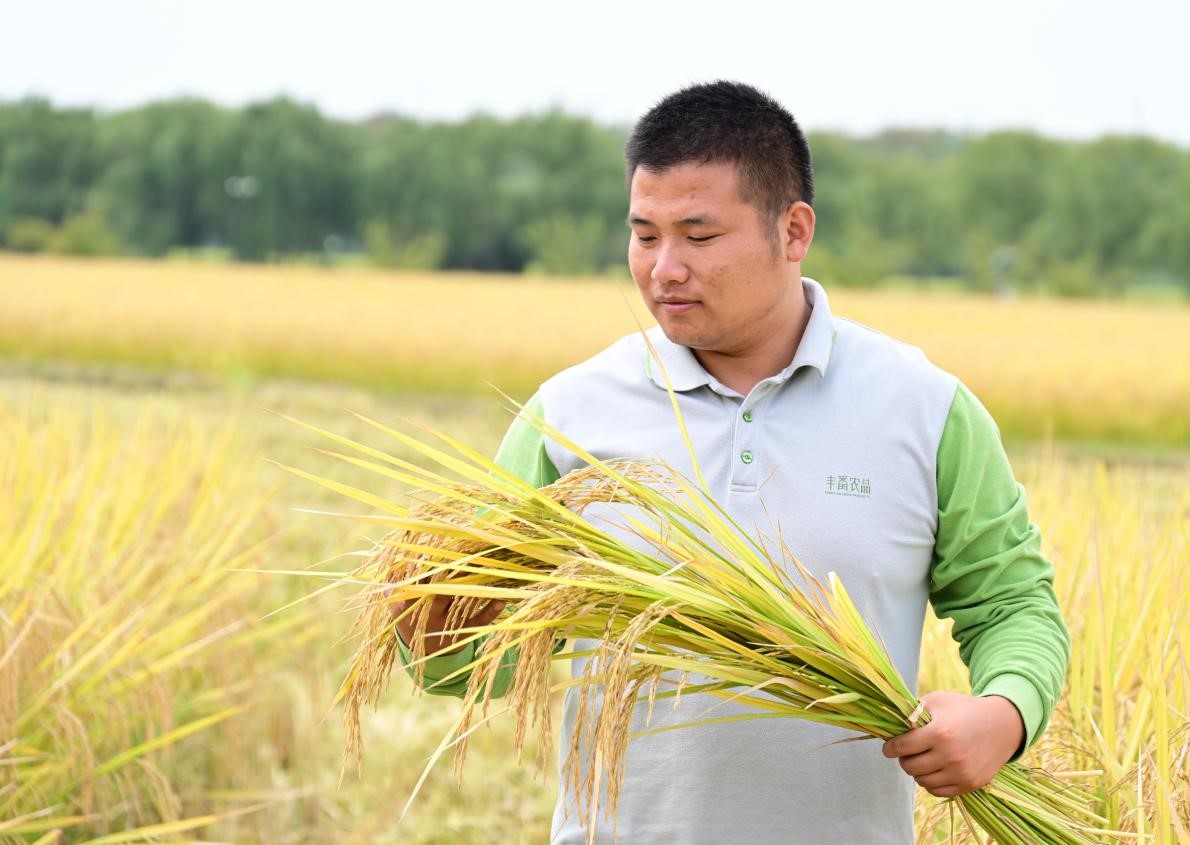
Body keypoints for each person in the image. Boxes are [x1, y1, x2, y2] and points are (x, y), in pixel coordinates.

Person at [393, 80, 1070, 844]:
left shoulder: (924, 409)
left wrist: (1004, 714)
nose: (663, 268)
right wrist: (431, 627)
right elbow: (475, 663)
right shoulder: (569, 416)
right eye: (644, 235)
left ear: (793, 230)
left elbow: (1012, 604)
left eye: (699, 236)